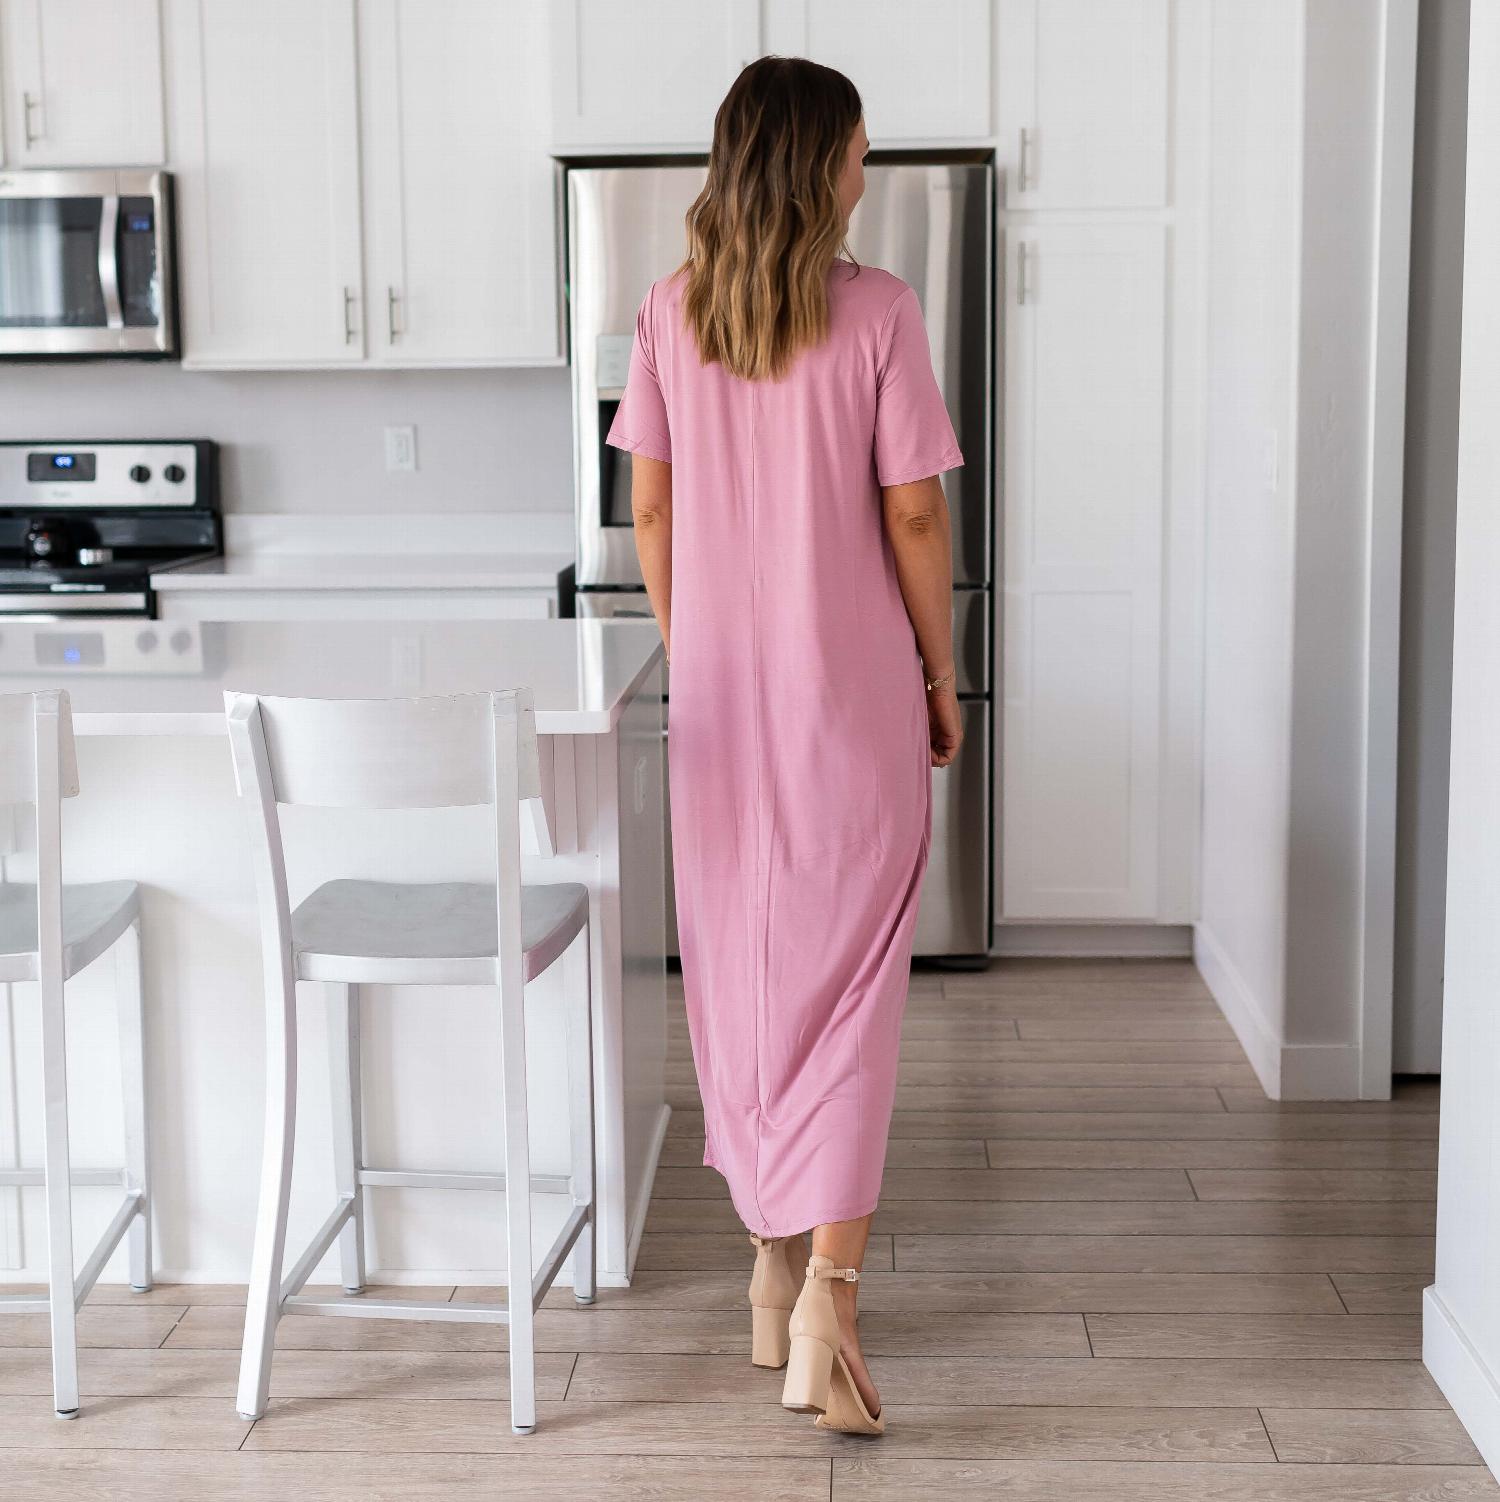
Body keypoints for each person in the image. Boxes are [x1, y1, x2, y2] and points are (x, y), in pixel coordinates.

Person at [605, 55, 963, 1437]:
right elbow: (916, 522)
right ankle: (828, 1293)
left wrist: (708, 651)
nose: (870, 171)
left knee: (745, 980)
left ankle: (762, 1269)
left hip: (723, 712)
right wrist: (941, 675)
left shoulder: (666, 311)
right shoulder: (878, 310)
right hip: (854, 703)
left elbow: (650, 514)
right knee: (852, 991)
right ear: (822, 164)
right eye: (863, 150)